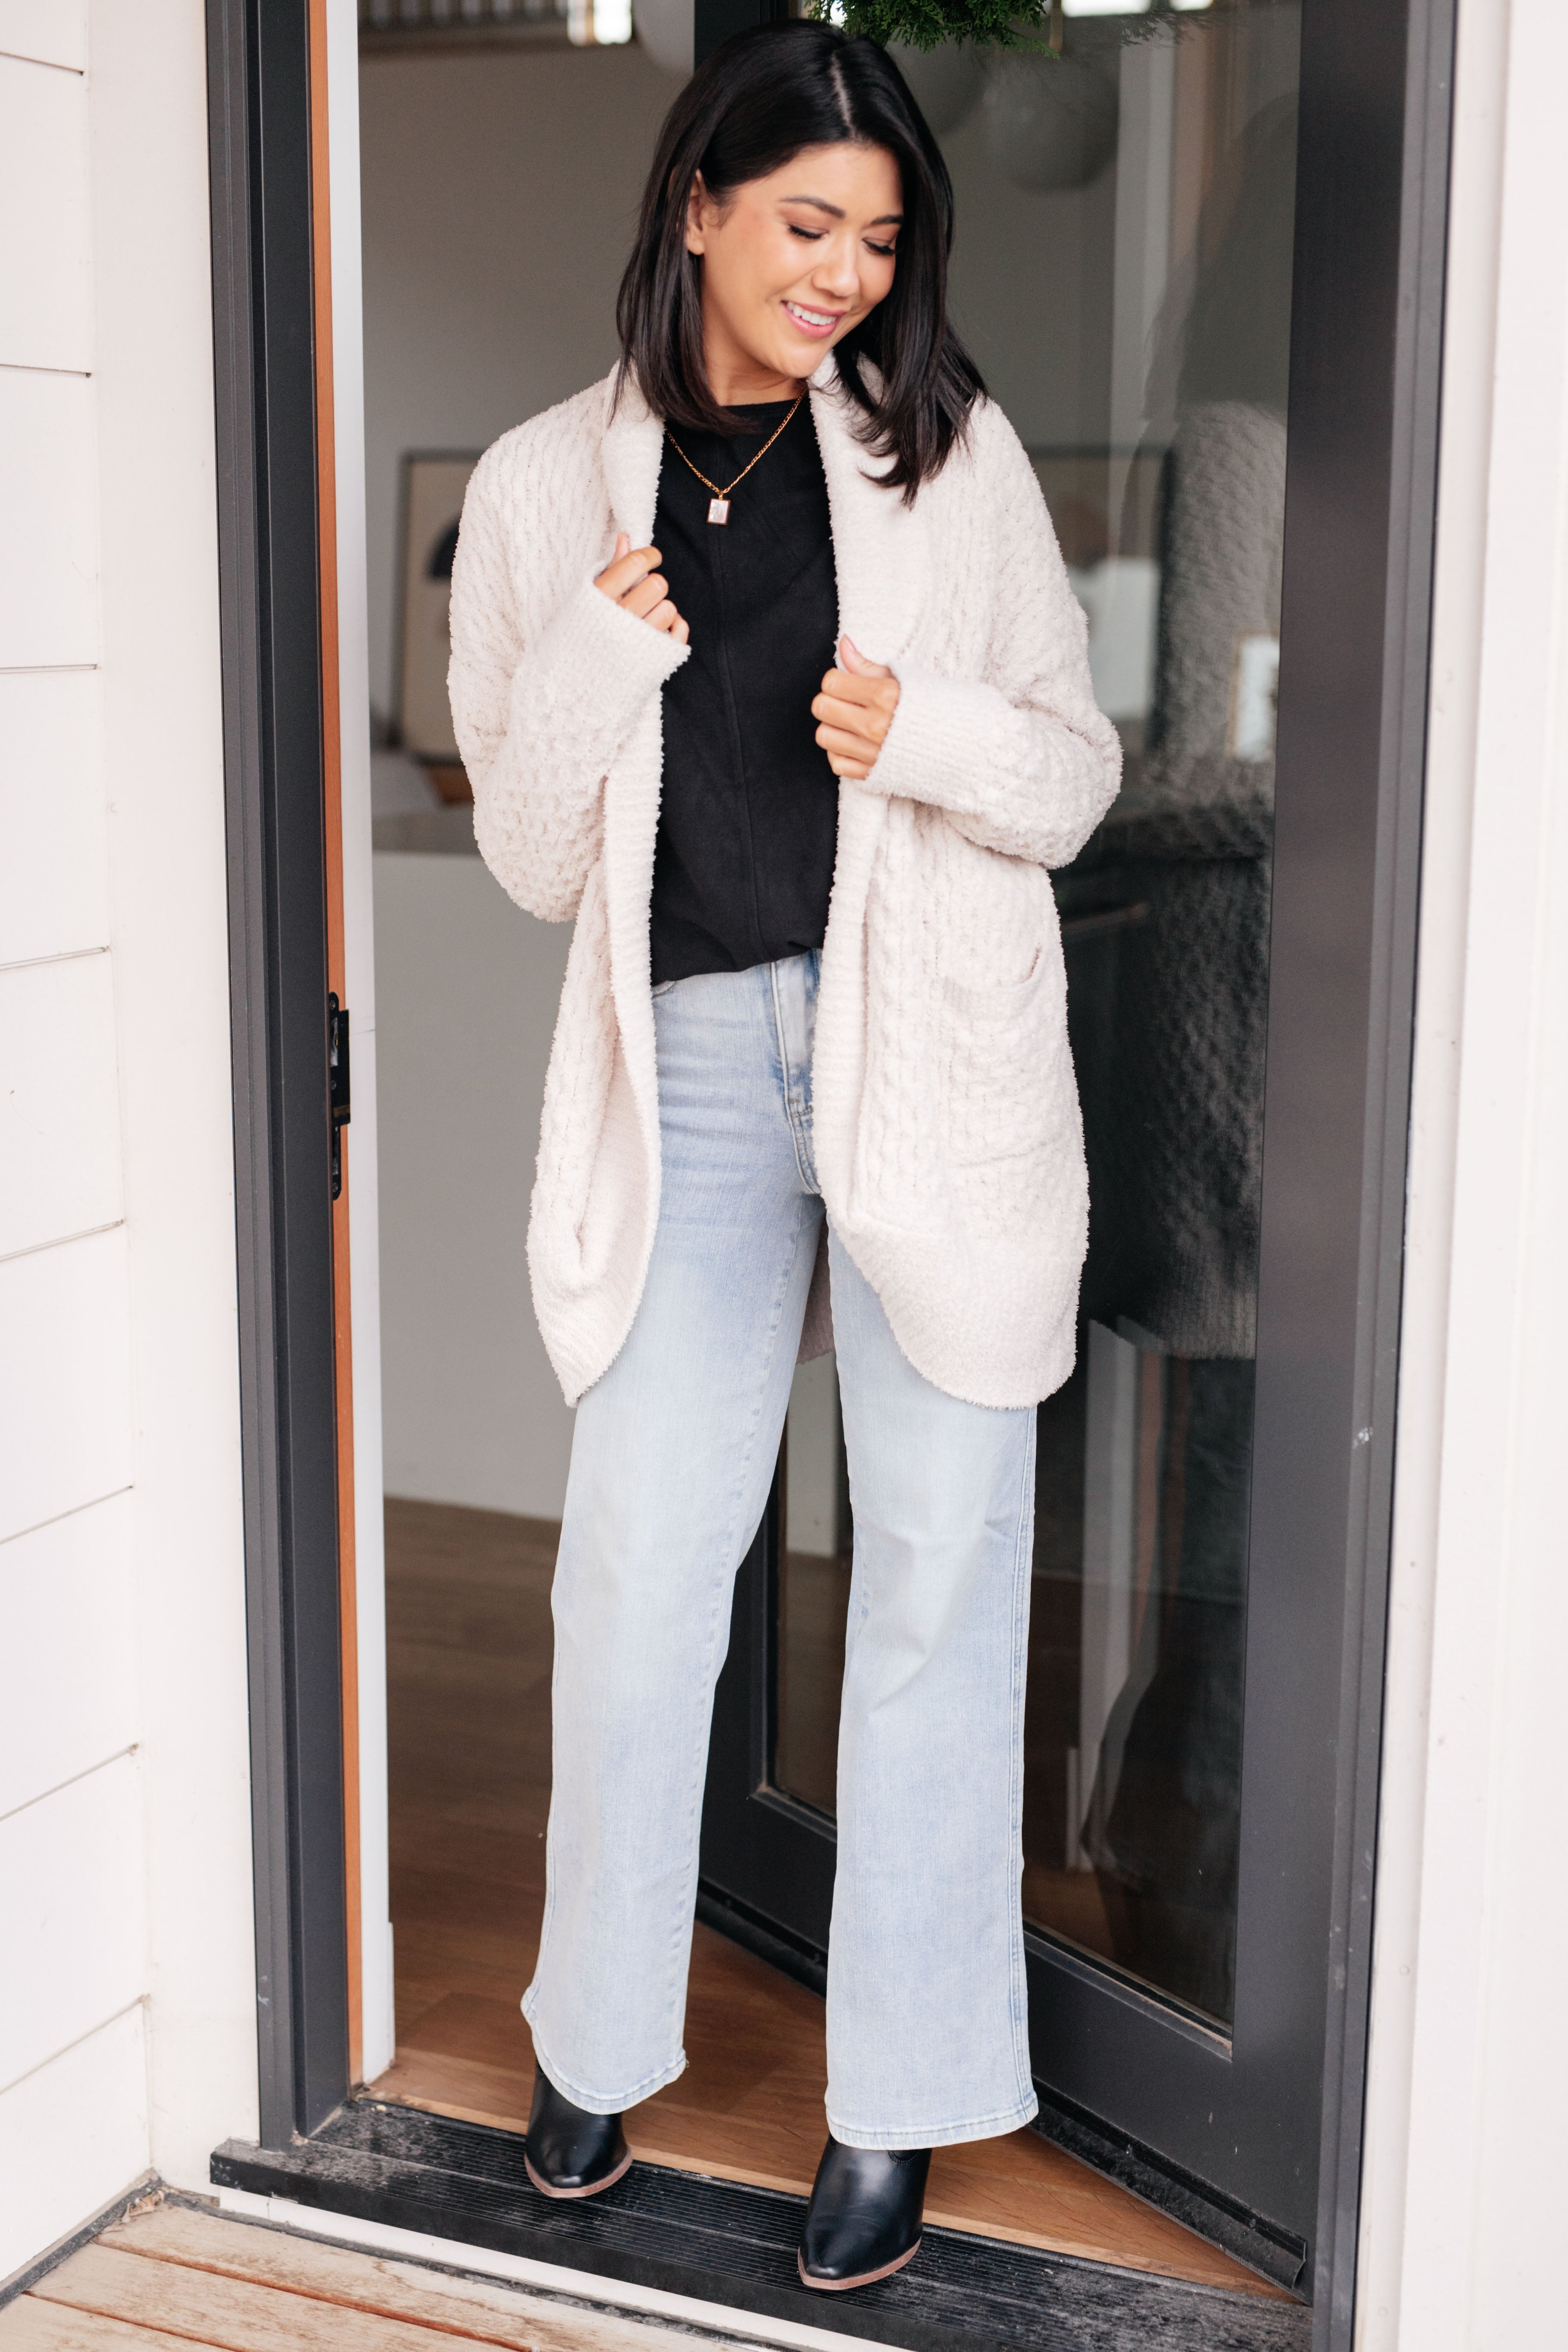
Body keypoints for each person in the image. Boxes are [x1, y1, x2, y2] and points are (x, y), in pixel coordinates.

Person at [448, 19, 1119, 2291]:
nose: (843, 274)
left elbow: (1070, 775)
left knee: (935, 1568)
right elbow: (534, 857)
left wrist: (922, 730)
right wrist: (587, 663)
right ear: (699, 208)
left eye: (880, 239)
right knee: (640, 1563)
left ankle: (898, 2095)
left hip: (927, 1044)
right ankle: (592, 2031)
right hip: (694, 1061)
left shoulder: (950, 463)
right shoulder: (545, 488)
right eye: (807, 224)